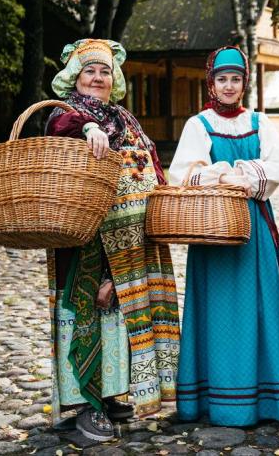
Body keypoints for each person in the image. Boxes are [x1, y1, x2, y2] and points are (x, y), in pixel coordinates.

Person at [45, 39, 180, 441]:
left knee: (119, 319)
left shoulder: (124, 118)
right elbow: (59, 128)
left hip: (133, 243)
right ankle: (85, 403)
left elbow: (150, 165)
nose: (99, 78)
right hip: (87, 241)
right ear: (76, 76)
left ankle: (111, 394)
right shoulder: (67, 114)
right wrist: (87, 126)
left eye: (105, 71)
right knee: (88, 312)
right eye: (90, 71)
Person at [170, 46, 279, 426]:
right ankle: (214, 397)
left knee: (261, 304)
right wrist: (220, 175)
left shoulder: (260, 122)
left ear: (244, 83)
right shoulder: (198, 124)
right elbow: (182, 173)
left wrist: (245, 176)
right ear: (211, 82)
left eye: (235, 79)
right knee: (218, 307)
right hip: (212, 228)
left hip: (254, 225)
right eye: (221, 79)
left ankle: (267, 400)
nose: (228, 86)